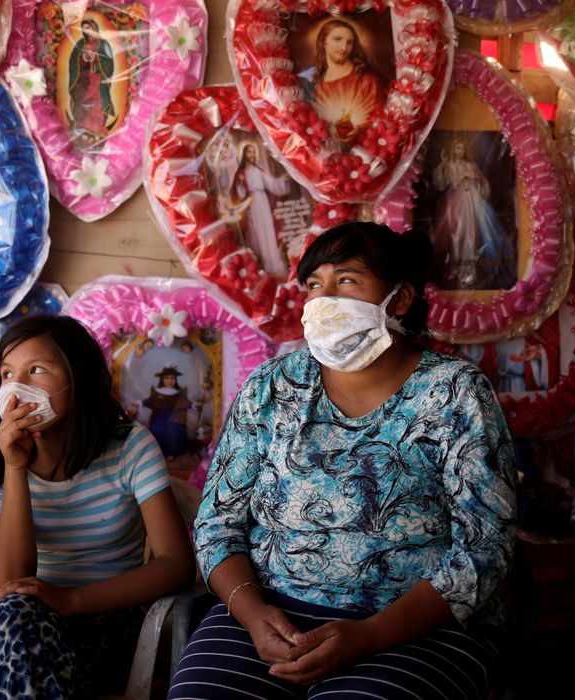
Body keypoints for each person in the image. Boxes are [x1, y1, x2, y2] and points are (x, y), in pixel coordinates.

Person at [169, 222, 517, 699]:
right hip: (270, 615)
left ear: (398, 299)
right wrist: (252, 614)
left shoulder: (455, 392)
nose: (323, 299)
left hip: (412, 626)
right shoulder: (272, 386)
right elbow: (216, 524)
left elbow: (486, 545)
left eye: (347, 280)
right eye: (314, 284)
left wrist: (371, 635)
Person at [0, 316, 195, 699]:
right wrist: (15, 467)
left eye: (36, 370)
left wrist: (71, 601)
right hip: (20, 622)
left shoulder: (130, 447)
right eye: (7, 373)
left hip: (108, 623)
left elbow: (176, 566)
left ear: (78, 377)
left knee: (21, 648)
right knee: (14, 616)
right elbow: (9, 577)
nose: (18, 387)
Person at [429, 138, 516, 290]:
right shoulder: (450, 164)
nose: (460, 151)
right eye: (457, 148)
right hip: (457, 200)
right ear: (453, 149)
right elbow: (441, 183)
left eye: (462, 148)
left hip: (474, 201)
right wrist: (444, 164)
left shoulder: (472, 165)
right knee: (457, 233)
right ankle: (456, 268)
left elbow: (483, 182)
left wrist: (479, 179)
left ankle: (469, 270)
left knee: (474, 233)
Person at [296, 19, 386, 143]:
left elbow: (381, 122)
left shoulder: (367, 81)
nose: (344, 47)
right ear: (323, 42)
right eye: (337, 39)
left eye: (349, 42)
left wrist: (360, 130)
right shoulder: (313, 83)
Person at [230, 143, 292, 277]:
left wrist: (282, 180)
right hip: (251, 204)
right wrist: (240, 183)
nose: (251, 155)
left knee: (268, 230)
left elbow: (272, 184)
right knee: (256, 232)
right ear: (244, 155)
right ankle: (261, 265)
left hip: (263, 203)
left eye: (253, 152)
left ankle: (272, 265)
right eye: (249, 152)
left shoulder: (259, 170)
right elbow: (239, 195)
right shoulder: (240, 174)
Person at [67, 18, 118, 146]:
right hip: (83, 80)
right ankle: (83, 128)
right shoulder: (80, 44)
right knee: (83, 102)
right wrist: (83, 58)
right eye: (84, 28)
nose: (86, 31)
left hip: (98, 80)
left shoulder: (103, 44)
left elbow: (109, 63)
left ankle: (96, 129)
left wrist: (96, 57)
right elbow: (73, 62)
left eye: (88, 28)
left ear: (94, 28)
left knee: (97, 104)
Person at [143, 365, 192, 457]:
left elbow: (184, 403)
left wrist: (193, 405)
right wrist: (139, 403)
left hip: (174, 417)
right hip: (159, 417)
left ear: (175, 380)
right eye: (167, 378)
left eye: (172, 378)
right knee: (157, 428)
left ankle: (173, 453)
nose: (169, 381)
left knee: (175, 429)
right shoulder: (157, 392)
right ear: (162, 379)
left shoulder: (179, 393)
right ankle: (157, 453)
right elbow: (149, 401)